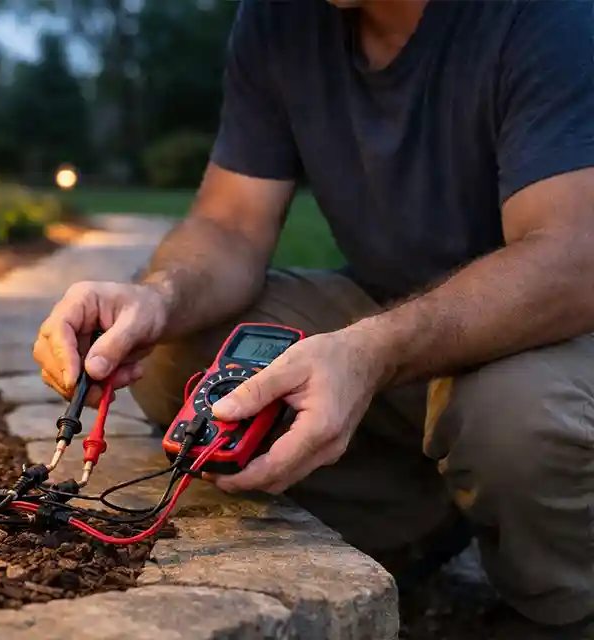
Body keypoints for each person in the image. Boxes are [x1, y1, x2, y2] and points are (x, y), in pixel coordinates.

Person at [33, 0, 594, 636]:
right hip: (396, 310)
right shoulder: (280, 17)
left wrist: (374, 350)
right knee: (180, 358)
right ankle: (422, 522)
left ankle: (561, 610)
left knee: (515, 420)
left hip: (563, 324)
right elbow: (229, 223)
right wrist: (157, 297)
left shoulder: (548, 16)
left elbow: (572, 256)